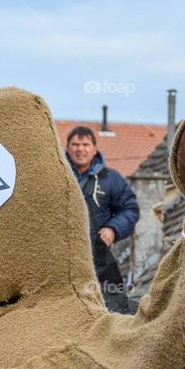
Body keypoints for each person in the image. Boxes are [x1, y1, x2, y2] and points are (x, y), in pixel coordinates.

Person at [65, 125, 139, 313]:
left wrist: (113, 229)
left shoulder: (111, 179)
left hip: (99, 259)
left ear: (94, 149)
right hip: (62, 257)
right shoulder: (58, 177)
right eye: (75, 144)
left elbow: (130, 209)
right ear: (68, 148)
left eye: (85, 144)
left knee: (108, 309)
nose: (80, 149)